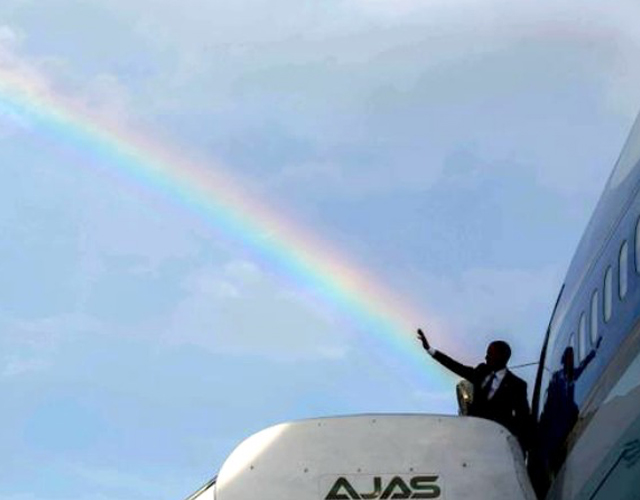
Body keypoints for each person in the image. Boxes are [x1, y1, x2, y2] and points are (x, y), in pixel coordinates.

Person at [417, 328, 531, 451]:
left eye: (490, 353)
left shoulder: (517, 385)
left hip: (497, 444)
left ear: (501, 356)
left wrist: (521, 449)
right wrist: (429, 349)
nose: (486, 357)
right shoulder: (481, 371)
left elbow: (523, 419)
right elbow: (456, 367)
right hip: (474, 436)